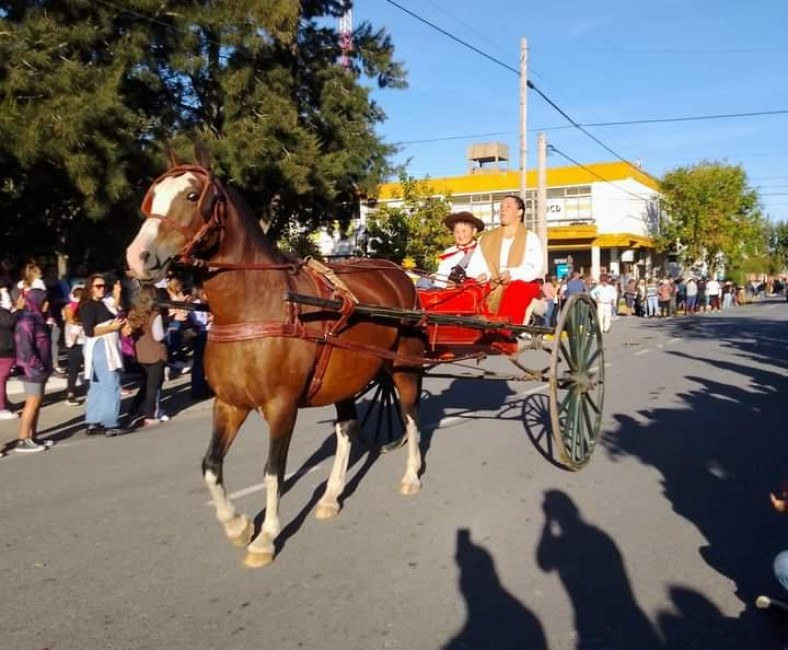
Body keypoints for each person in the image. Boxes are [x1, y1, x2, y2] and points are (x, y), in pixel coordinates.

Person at [465, 195, 544, 325]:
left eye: (508, 206)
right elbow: (476, 264)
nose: (503, 210)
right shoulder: (486, 238)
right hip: (491, 280)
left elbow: (533, 267)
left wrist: (512, 273)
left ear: (520, 212)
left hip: (520, 281)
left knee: (516, 289)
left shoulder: (530, 237)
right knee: (468, 288)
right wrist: (482, 274)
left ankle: (504, 331)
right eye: (501, 207)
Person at [79, 274, 130, 437]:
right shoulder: (89, 306)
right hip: (101, 346)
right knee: (111, 383)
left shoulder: (103, 303)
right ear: (90, 288)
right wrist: (111, 328)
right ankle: (111, 423)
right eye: (98, 286)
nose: (102, 289)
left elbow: (115, 311)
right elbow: (89, 331)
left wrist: (116, 295)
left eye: (104, 286)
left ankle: (93, 422)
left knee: (98, 385)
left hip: (107, 345)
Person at [13, 286, 54, 452]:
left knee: (37, 403)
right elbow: (25, 348)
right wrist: (36, 366)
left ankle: (32, 436)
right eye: (44, 301)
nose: (47, 304)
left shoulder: (38, 318)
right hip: (31, 369)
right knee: (32, 401)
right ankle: (23, 438)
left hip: (41, 368)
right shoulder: (26, 321)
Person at [126, 285, 167, 427]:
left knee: (146, 384)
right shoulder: (155, 314)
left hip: (141, 353)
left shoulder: (134, 313)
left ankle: (134, 409)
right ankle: (150, 414)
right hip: (155, 353)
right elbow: (159, 336)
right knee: (153, 386)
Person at [434, 211, 485, 287]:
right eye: (457, 232)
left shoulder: (482, 250)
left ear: (474, 231)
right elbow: (441, 275)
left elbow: (488, 273)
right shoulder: (448, 252)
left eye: (464, 231)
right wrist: (444, 283)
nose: (460, 235)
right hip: (448, 292)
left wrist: (484, 276)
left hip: (472, 292)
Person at [63, 285, 85, 406]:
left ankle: (92, 391)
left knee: (90, 368)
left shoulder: (88, 306)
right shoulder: (68, 307)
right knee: (73, 369)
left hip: (86, 341)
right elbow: (71, 320)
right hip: (74, 343)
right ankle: (70, 393)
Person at [0, 277, 19, 420]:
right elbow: (8, 322)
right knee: (2, 377)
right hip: (4, 346)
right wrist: (17, 310)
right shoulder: (2, 309)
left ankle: (3, 402)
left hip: (5, 345)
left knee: (3, 377)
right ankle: (1, 408)